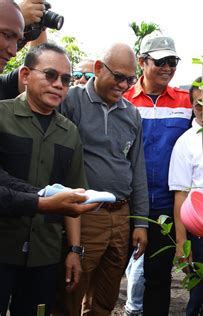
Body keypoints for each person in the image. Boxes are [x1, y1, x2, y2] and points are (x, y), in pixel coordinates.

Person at [59, 43, 149, 315]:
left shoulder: (131, 113)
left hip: (121, 216)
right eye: (118, 76)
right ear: (98, 68)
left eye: (130, 79)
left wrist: (141, 222)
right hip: (85, 215)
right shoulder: (71, 101)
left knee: (105, 298)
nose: (123, 85)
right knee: (70, 294)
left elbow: (137, 170)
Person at [0, 43, 87, 316]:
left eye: (65, 79)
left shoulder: (70, 132)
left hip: (45, 253)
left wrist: (74, 250)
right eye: (50, 75)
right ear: (25, 75)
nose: (59, 84)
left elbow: (74, 196)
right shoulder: (2, 116)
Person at [0, 0, 97, 218]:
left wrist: (45, 196)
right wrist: (43, 203)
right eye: (7, 35)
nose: (13, 51)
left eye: (65, 79)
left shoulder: (69, 131)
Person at [122, 33, 192, 316]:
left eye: (172, 61)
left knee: (159, 278)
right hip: (125, 205)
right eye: (160, 61)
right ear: (142, 62)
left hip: (165, 206)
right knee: (111, 272)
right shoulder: (123, 99)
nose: (167, 67)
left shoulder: (186, 103)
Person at [168, 76, 203, 315]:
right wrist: (182, 243)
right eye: (199, 104)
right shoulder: (186, 142)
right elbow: (180, 195)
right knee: (201, 293)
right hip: (202, 231)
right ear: (192, 106)